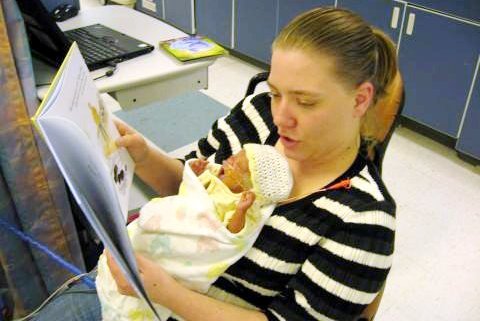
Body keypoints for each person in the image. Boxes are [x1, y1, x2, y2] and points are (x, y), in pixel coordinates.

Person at [32, 7, 397, 321]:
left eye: (305, 102)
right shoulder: (258, 118)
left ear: (360, 100)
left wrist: (162, 291)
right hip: (134, 278)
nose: (282, 118)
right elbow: (191, 189)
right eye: (275, 93)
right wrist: (143, 156)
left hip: (160, 293)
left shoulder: (363, 221)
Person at [96, 144, 293, 321]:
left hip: (167, 276)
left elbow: (233, 233)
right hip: (137, 246)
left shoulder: (238, 203)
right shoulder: (217, 179)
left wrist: (241, 211)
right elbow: (189, 191)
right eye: (233, 156)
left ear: (247, 187)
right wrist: (195, 174)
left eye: (237, 166)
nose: (228, 161)